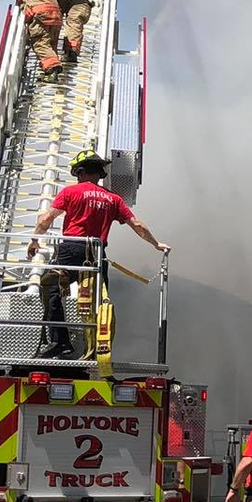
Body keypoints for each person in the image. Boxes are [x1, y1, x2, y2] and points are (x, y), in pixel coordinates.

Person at [25, 150, 167, 359]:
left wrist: (34, 241)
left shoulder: (70, 192)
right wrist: (156, 244)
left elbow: (45, 220)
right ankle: (99, 349)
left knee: (50, 288)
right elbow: (137, 225)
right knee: (100, 302)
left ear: (80, 172)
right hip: (97, 255)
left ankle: (59, 341)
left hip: (72, 250)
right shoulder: (114, 199)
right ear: (100, 174)